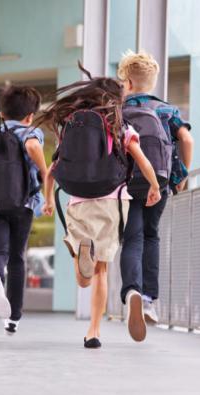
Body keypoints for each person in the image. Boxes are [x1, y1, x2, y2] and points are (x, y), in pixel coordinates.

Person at [38, 67, 162, 348]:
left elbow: (51, 171)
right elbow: (142, 160)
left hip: (77, 201)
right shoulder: (120, 125)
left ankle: (83, 253)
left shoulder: (72, 124)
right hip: (112, 200)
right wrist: (153, 186)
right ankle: (95, 330)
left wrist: (47, 200)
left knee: (83, 277)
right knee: (101, 271)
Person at [117, 51, 195, 330]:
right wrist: (181, 174)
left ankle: (131, 291)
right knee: (151, 236)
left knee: (131, 238)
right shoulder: (167, 110)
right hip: (159, 183)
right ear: (151, 81)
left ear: (126, 81)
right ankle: (149, 299)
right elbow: (186, 139)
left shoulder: (118, 111)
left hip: (124, 184)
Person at [0, 86, 51, 334]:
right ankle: (13, 318)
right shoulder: (31, 132)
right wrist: (45, 171)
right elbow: (31, 147)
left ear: (1, 113)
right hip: (22, 204)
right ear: (30, 115)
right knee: (17, 257)